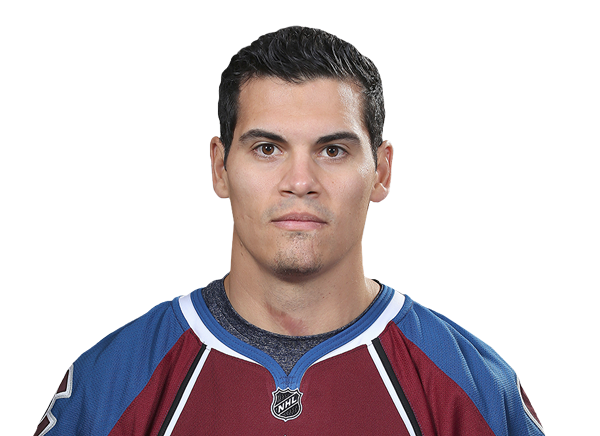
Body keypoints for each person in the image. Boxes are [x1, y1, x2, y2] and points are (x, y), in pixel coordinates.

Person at [34, 25, 545, 436]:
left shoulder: (475, 389)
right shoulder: (110, 384)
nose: (300, 181)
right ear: (220, 167)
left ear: (381, 172)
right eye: (267, 149)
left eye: (333, 150)